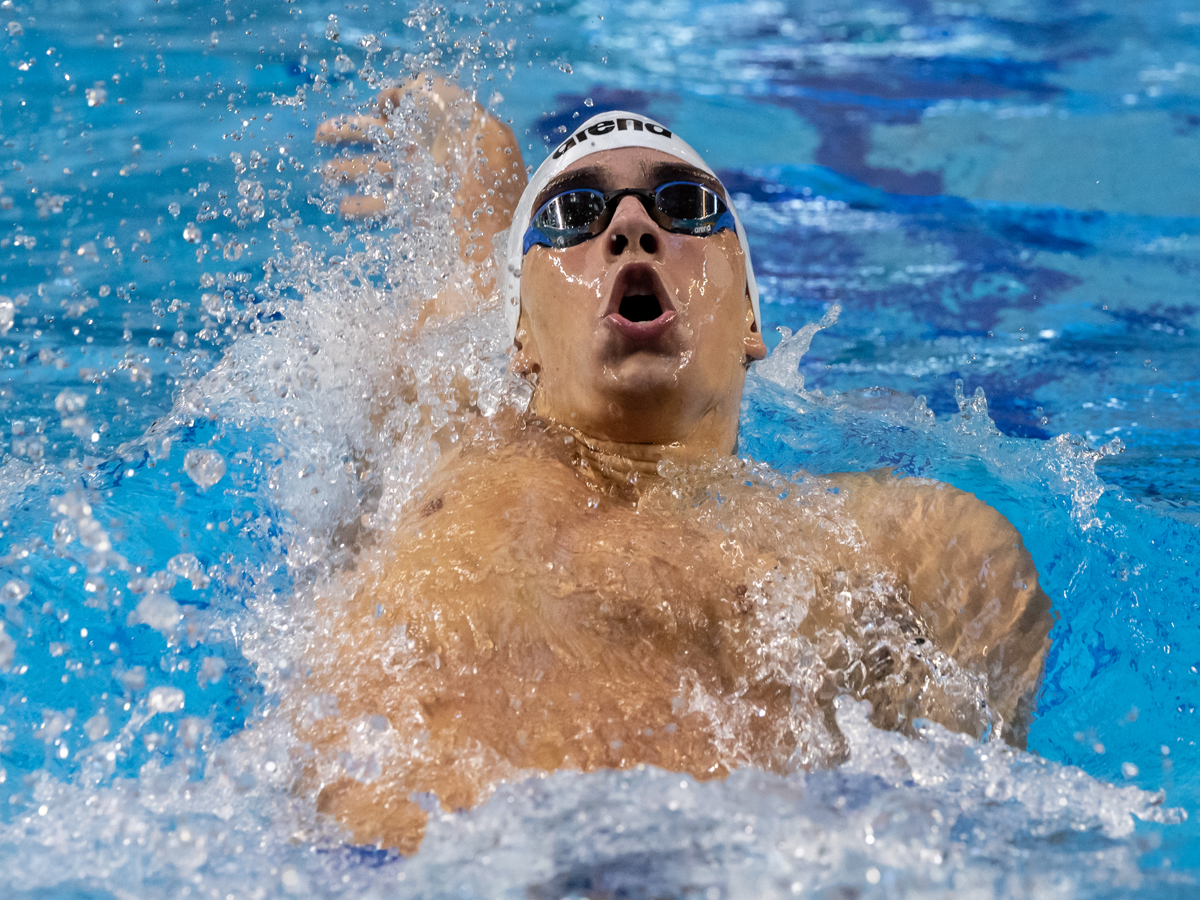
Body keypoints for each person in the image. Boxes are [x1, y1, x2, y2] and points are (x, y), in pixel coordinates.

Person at [296, 76, 1054, 852]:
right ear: (520, 336)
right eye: (572, 214)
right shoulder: (456, 438)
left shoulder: (910, 548)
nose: (631, 226)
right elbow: (462, 298)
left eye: (685, 205)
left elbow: (965, 826)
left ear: (752, 318)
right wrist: (485, 170)